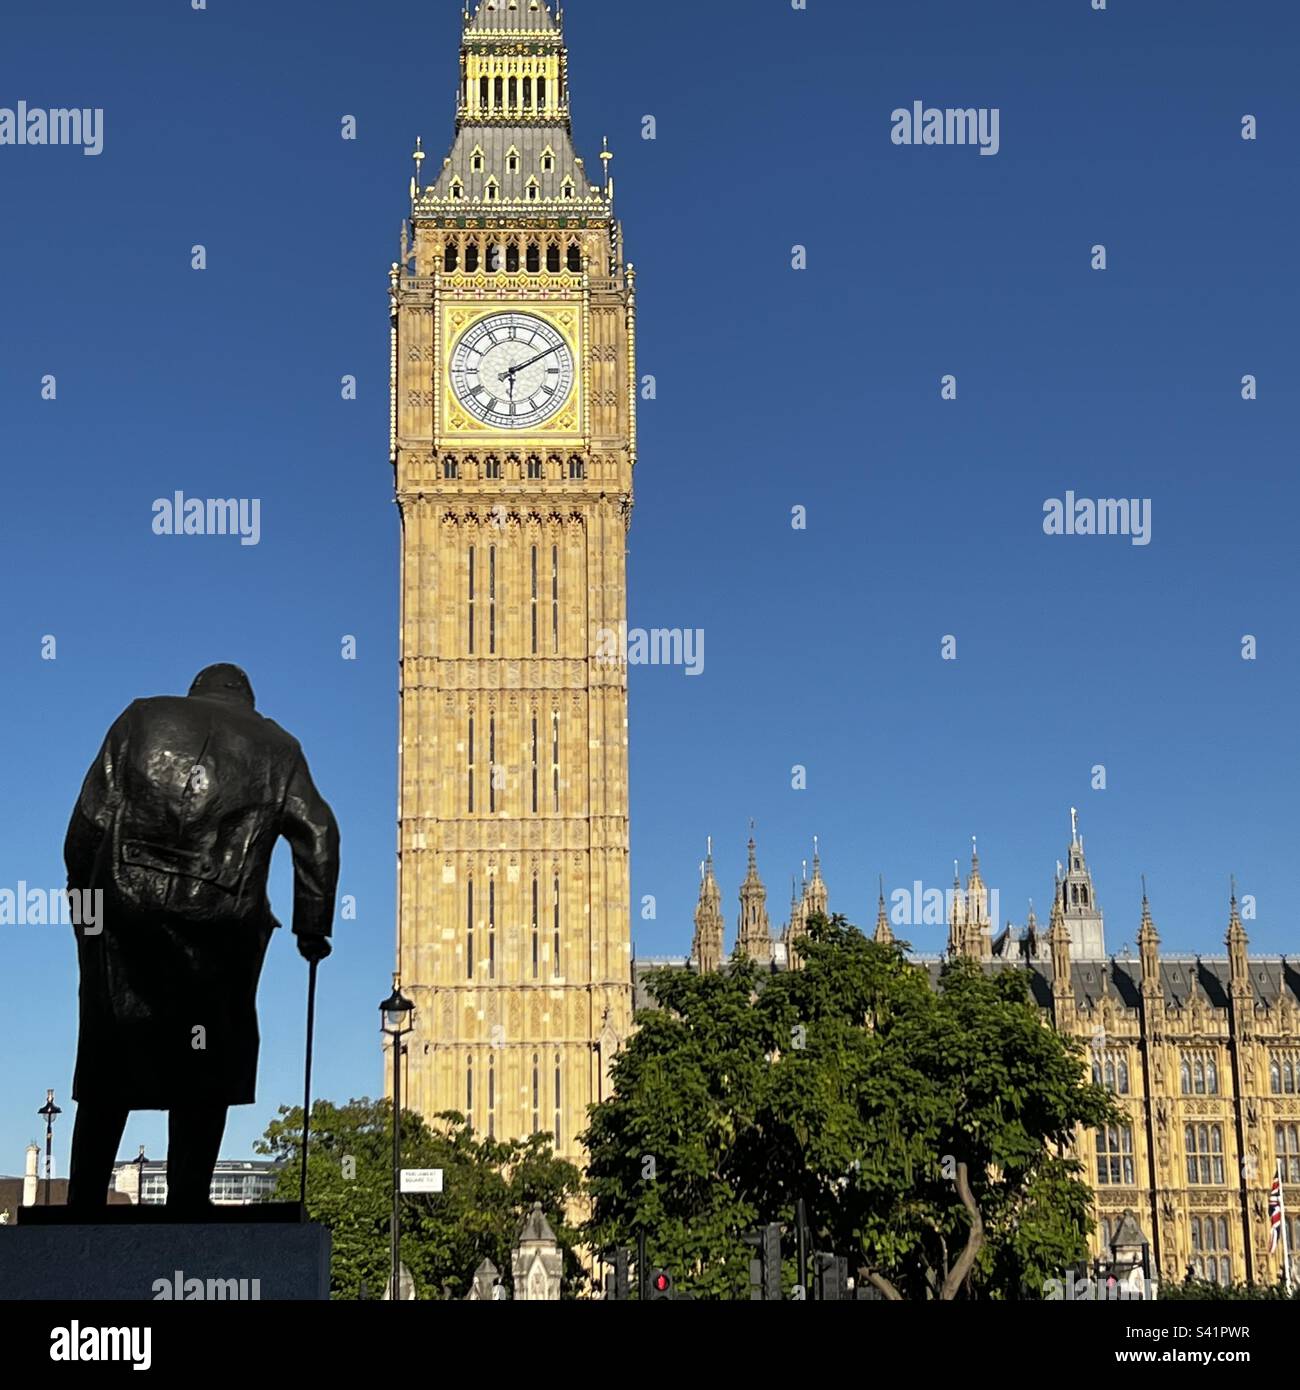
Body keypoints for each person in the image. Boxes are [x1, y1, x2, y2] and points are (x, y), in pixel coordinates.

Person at [63, 664, 339, 1210]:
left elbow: (87, 825)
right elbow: (320, 832)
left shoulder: (141, 718)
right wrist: (312, 928)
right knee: (209, 1055)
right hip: (222, 925)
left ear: (194, 693)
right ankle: (188, 1197)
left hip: (124, 913)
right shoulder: (278, 747)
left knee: (110, 1057)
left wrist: (85, 907)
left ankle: (85, 1200)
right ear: (249, 701)